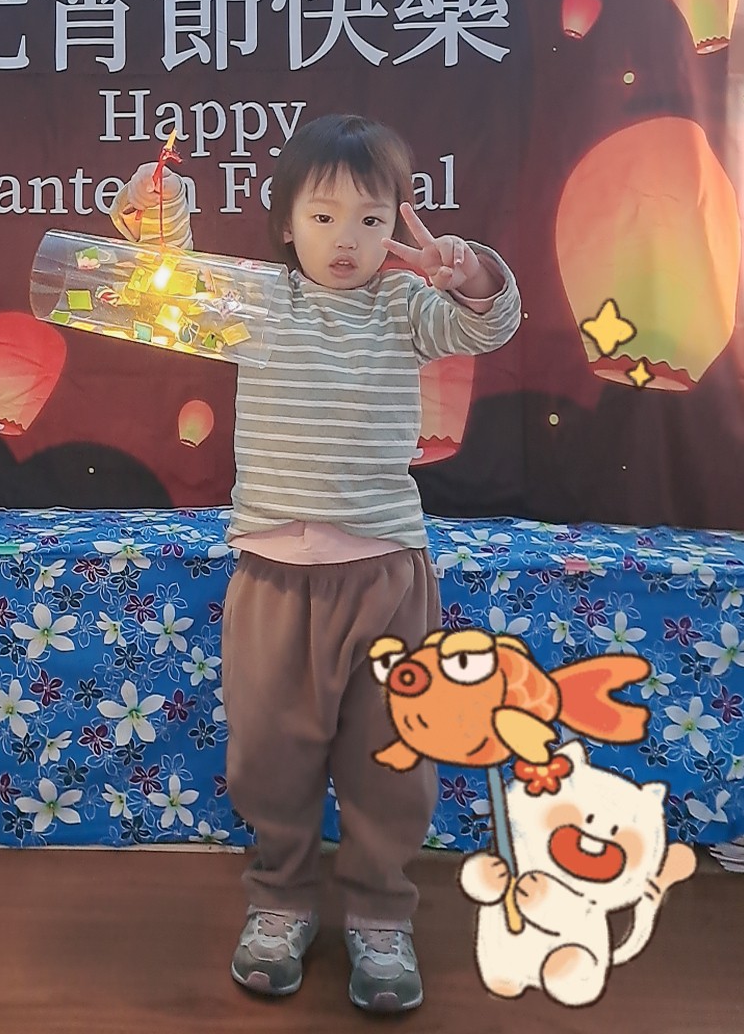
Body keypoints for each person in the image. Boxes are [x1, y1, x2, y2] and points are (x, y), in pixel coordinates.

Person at [109, 113, 522, 1014]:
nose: (347, 240)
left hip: (385, 575)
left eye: (372, 220)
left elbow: (490, 325)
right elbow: (164, 292)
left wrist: (471, 274)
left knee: (389, 756)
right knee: (270, 755)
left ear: (397, 226)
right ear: (285, 220)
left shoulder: (406, 306)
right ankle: (280, 900)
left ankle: (381, 915)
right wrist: (159, 215)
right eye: (324, 216)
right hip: (272, 575)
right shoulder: (259, 301)